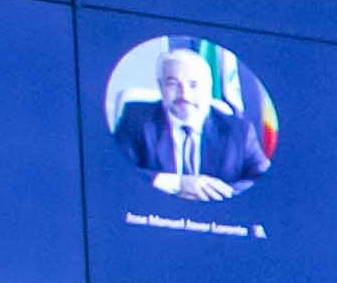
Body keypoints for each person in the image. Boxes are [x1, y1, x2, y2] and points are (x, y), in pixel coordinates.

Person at [114, 44, 266, 197]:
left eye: (193, 85)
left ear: (209, 87)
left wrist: (211, 195)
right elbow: (114, 171)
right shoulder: (136, 120)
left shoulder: (239, 131)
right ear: (160, 86)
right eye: (172, 84)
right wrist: (178, 184)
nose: (184, 94)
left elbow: (263, 180)